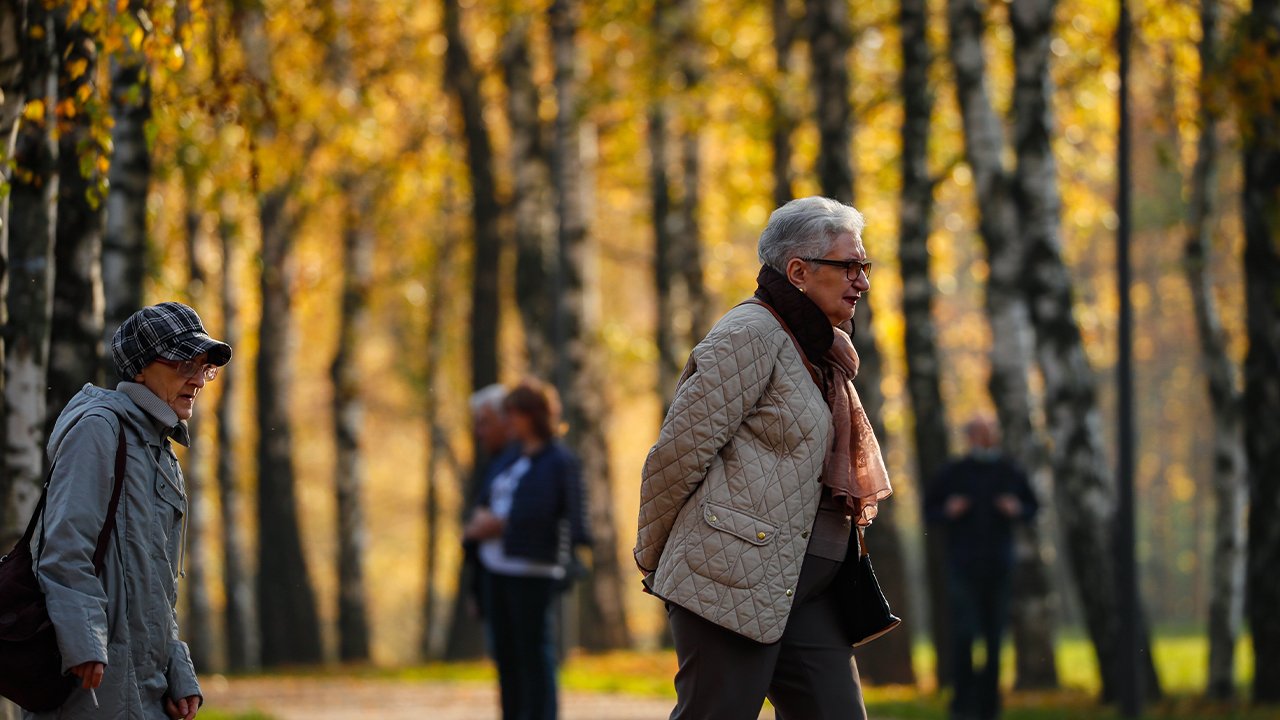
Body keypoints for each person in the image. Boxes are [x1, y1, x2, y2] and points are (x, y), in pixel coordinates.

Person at [635, 196, 893, 719]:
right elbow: (678, 454)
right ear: (798, 271)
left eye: (864, 267)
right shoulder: (750, 335)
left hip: (812, 586)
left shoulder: (824, 351)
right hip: (732, 577)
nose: (861, 281)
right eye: (848, 266)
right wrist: (656, 555)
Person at [30, 302, 231, 720]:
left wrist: (178, 670)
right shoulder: (99, 430)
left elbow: (158, 588)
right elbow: (63, 549)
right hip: (93, 685)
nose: (198, 380)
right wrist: (84, 644)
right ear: (140, 369)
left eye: (206, 367)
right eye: (184, 364)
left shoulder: (162, 452)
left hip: (147, 691)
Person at [463, 379, 590, 720]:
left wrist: (501, 525)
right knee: (506, 655)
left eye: (512, 415)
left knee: (533, 654)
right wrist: (476, 525)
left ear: (531, 415)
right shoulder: (510, 458)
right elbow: (486, 499)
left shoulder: (559, 460)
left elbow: (559, 513)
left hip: (532, 569)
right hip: (495, 567)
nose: (506, 422)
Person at [925, 416, 1039, 720]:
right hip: (962, 566)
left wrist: (1017, 509)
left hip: (999, 567)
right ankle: (962, 702)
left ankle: (990, 705)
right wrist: (948, 511)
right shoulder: (953, 473)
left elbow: (1032, 507)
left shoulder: (1009, 472)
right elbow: (930, 510)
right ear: (968, 438)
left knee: (993, 636)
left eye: (987, 435)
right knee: (963, 634)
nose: (982, 441)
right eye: (976, 435)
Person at [461, 384, 521, 624]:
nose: (478, 432)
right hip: (491, 574)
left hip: (516, 575)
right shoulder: (492, 464)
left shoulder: (522, 461)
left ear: (506, 420)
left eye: (484, 422)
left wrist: (487, 525)